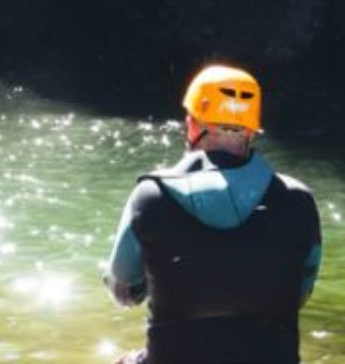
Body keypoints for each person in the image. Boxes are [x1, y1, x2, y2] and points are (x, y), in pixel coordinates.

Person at [104, 64, 323, 364]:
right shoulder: (300, 202)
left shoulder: (151, 196)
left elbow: (124, 292)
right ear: (250, 131)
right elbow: (299, 294)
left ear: (192, 125)